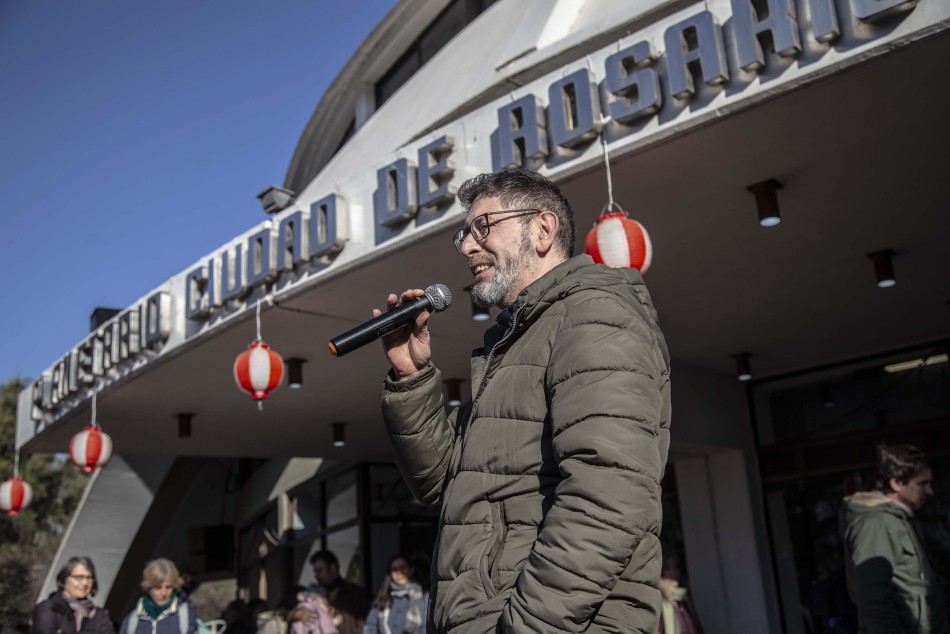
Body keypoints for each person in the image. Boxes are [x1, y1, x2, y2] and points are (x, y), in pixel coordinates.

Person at [377, 167, 671, 632]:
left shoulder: (594, 316)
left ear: (543, 229)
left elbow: (607, 498)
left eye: (483, 228)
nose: (469, 247)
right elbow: (441, 484)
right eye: (464, 236)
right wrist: (410, 376)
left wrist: (522, 626)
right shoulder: (515, 343)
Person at [840, 443, 949, 633]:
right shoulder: (876, 524)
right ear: (896, 483)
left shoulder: (901, 520)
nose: (930, 491)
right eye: (922, 484)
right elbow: (873, 601)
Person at [31, 556, 115, 634]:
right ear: (64, 580)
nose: (85, 583)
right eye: (79, 577)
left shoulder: (100, 615)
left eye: (89, 578)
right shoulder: (48, 608)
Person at [119, 558, 198, 634]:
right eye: (158, 588)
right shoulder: (132, 620)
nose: (164, 593)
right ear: (148, 587)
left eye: (168, 587)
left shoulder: (186, 615)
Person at [308, 551, 371, 634]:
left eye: (319, 571)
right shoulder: (318, 595)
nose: (316, 576)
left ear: (332, 569)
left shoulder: (355, 593)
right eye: (315, 572)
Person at [362, 554, 427, 634]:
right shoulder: (382, 596)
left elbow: (425, 628)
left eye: (402, 568)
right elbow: (370, 626)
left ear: (411, 570)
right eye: (394, 569)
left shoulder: (423, 596)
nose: (398, 572)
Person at [657, 555, 702, 634]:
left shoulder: (683, 598)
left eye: (676, 567)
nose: (673, 572)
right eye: (667, 568)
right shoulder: (658, 602)